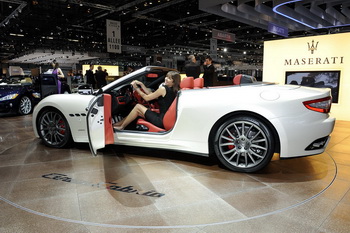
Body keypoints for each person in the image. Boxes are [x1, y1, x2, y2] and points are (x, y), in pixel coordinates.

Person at [113, 71, 181, 131]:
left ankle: (121, 127)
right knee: (138, 112)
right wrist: (142, 85)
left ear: (174, 81)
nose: (166, 79)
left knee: (138, 106)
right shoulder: (175, 90)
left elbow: (147, 98)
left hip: (161, 120)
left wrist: (136, 88)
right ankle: (117, 124)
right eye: (166, 77)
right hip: (164, 119)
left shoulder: (163, 89)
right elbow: (151, 94)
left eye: (169, 78)